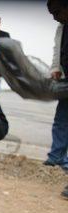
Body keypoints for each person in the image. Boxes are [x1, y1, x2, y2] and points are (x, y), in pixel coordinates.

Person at [45, 0, 68, 175]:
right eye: (51, 14)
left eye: (57, 12)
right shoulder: (61, 27)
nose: (54, 17)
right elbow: (57, 50)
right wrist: (55, 68)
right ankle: (55, 157)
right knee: (61, 120)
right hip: (65, 80)